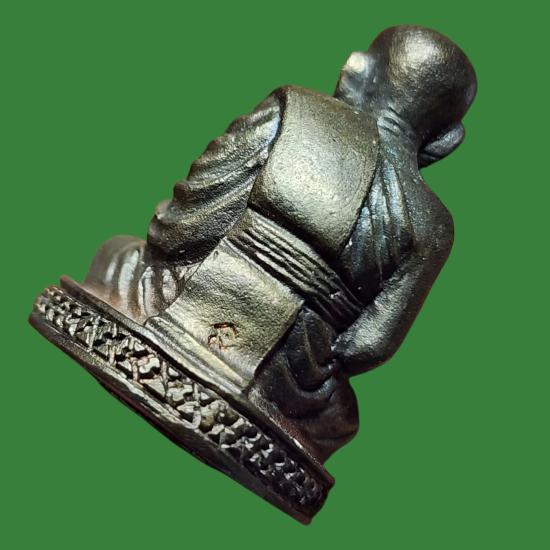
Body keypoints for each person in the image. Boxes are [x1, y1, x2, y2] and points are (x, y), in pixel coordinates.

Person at [83, 25, 476, 462]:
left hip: (178, 301)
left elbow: (191, 216)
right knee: (339, 419)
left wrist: (165, 237)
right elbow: (369, 345)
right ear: (447, 142)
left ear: (354, 72)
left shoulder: (292, 110)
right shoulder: (434, 226)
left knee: (117, 257)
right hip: (287, 379)